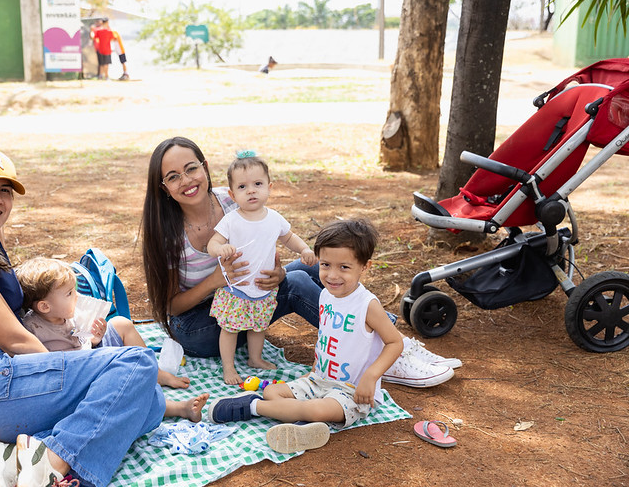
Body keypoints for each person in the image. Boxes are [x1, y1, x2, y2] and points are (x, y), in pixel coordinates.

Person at [0, 147, 181, 487]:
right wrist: (78, 370)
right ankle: (49, 466)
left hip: (6, 394)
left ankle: (19, 456)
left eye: (5, 190)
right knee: (135, 364)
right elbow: (14, 338)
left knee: (149, 405)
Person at [140, 136, 460, 389]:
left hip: (245, 298)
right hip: (200, 326)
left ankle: (380, 330)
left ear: (205, 166)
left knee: (308, 269)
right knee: (294, 287)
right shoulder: (167, 234)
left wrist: (277, 272)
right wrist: (215, 281)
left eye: (191, 168)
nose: (186, 180)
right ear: (164, 188)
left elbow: (270, 239)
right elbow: (172, 308)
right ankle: (385, 351)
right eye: (173, 177)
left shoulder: (232, 196)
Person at [206, 219, 409, 454]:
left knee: (318, 410)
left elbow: (396, 342)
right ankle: (302, 425)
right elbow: (327, 336)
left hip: (350, 390)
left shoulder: (366, 305)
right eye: (325, 265)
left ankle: (253, 407)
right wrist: (315, 368)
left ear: (365, 266)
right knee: (273, 391)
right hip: (318, 379)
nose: (332, 275)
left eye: (344, 267)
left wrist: (371, 377)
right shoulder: (326, 296)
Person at [206, 152, 317, 384]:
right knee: (230, 329)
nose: (251, 191)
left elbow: (289, 237)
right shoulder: (231, 220)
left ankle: (254, 359)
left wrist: (305, 250)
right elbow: (212, 243)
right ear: (232, 194)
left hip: (263, 288)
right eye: (243, 186)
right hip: (237, 288)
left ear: (269, 187)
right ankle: (228, 367)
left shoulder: (274, 218)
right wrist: (220, 249)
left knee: (259, 326)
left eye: (258, 184)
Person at [15, 256, 192, 388]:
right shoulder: (32, 329)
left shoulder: (69, 314)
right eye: (69, 293)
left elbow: (83, 342)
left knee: (121, 323)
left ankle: (156, 373)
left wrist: (95, 339)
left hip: (92, 355)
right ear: (45, 307)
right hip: (79, 375)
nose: (77, 296)